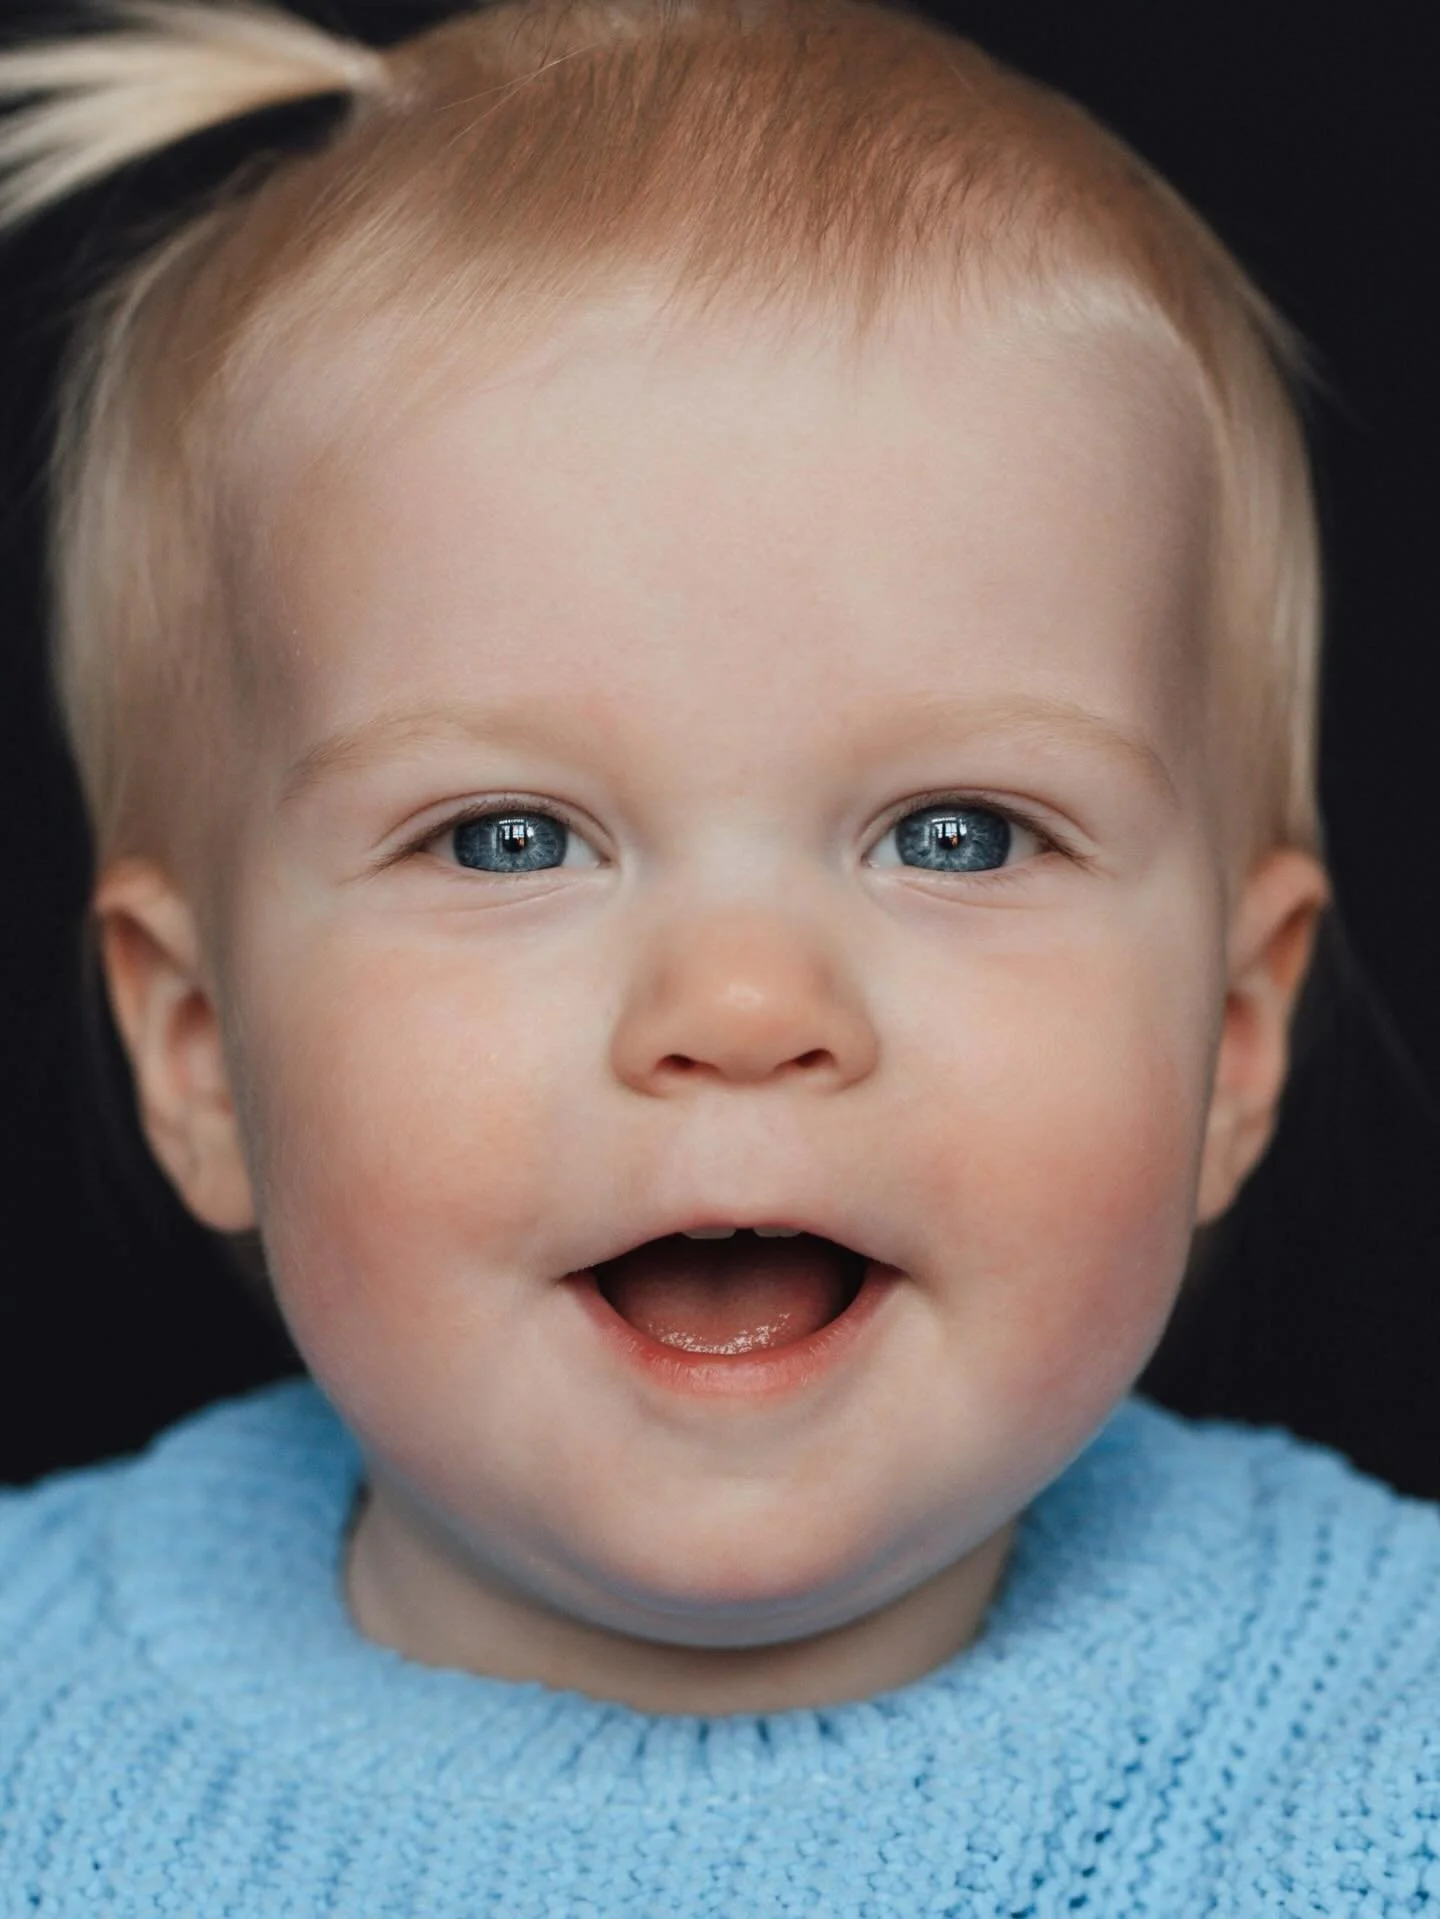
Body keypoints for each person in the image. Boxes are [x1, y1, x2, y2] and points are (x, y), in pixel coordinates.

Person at [0, 0, 1429, 1910]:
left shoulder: (1382, 1735)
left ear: (1235, 1042)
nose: (745, 1012)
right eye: (509, 837)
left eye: (959, 833)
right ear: (198, 1054)